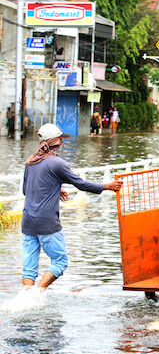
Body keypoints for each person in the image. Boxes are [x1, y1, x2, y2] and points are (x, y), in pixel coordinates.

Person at [21, 124, 122, 289]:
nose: (62, 143)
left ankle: (27, 296)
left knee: (29, 269)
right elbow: (81, 184)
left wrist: (54, 186)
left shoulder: (31, 161)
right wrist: (107, 186)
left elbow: (27, 190)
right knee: (60, 261)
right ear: (56, 142)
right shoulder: (56, 163)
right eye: (61, 140)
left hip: (28, 222)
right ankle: (37, 293)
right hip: (46, 222)